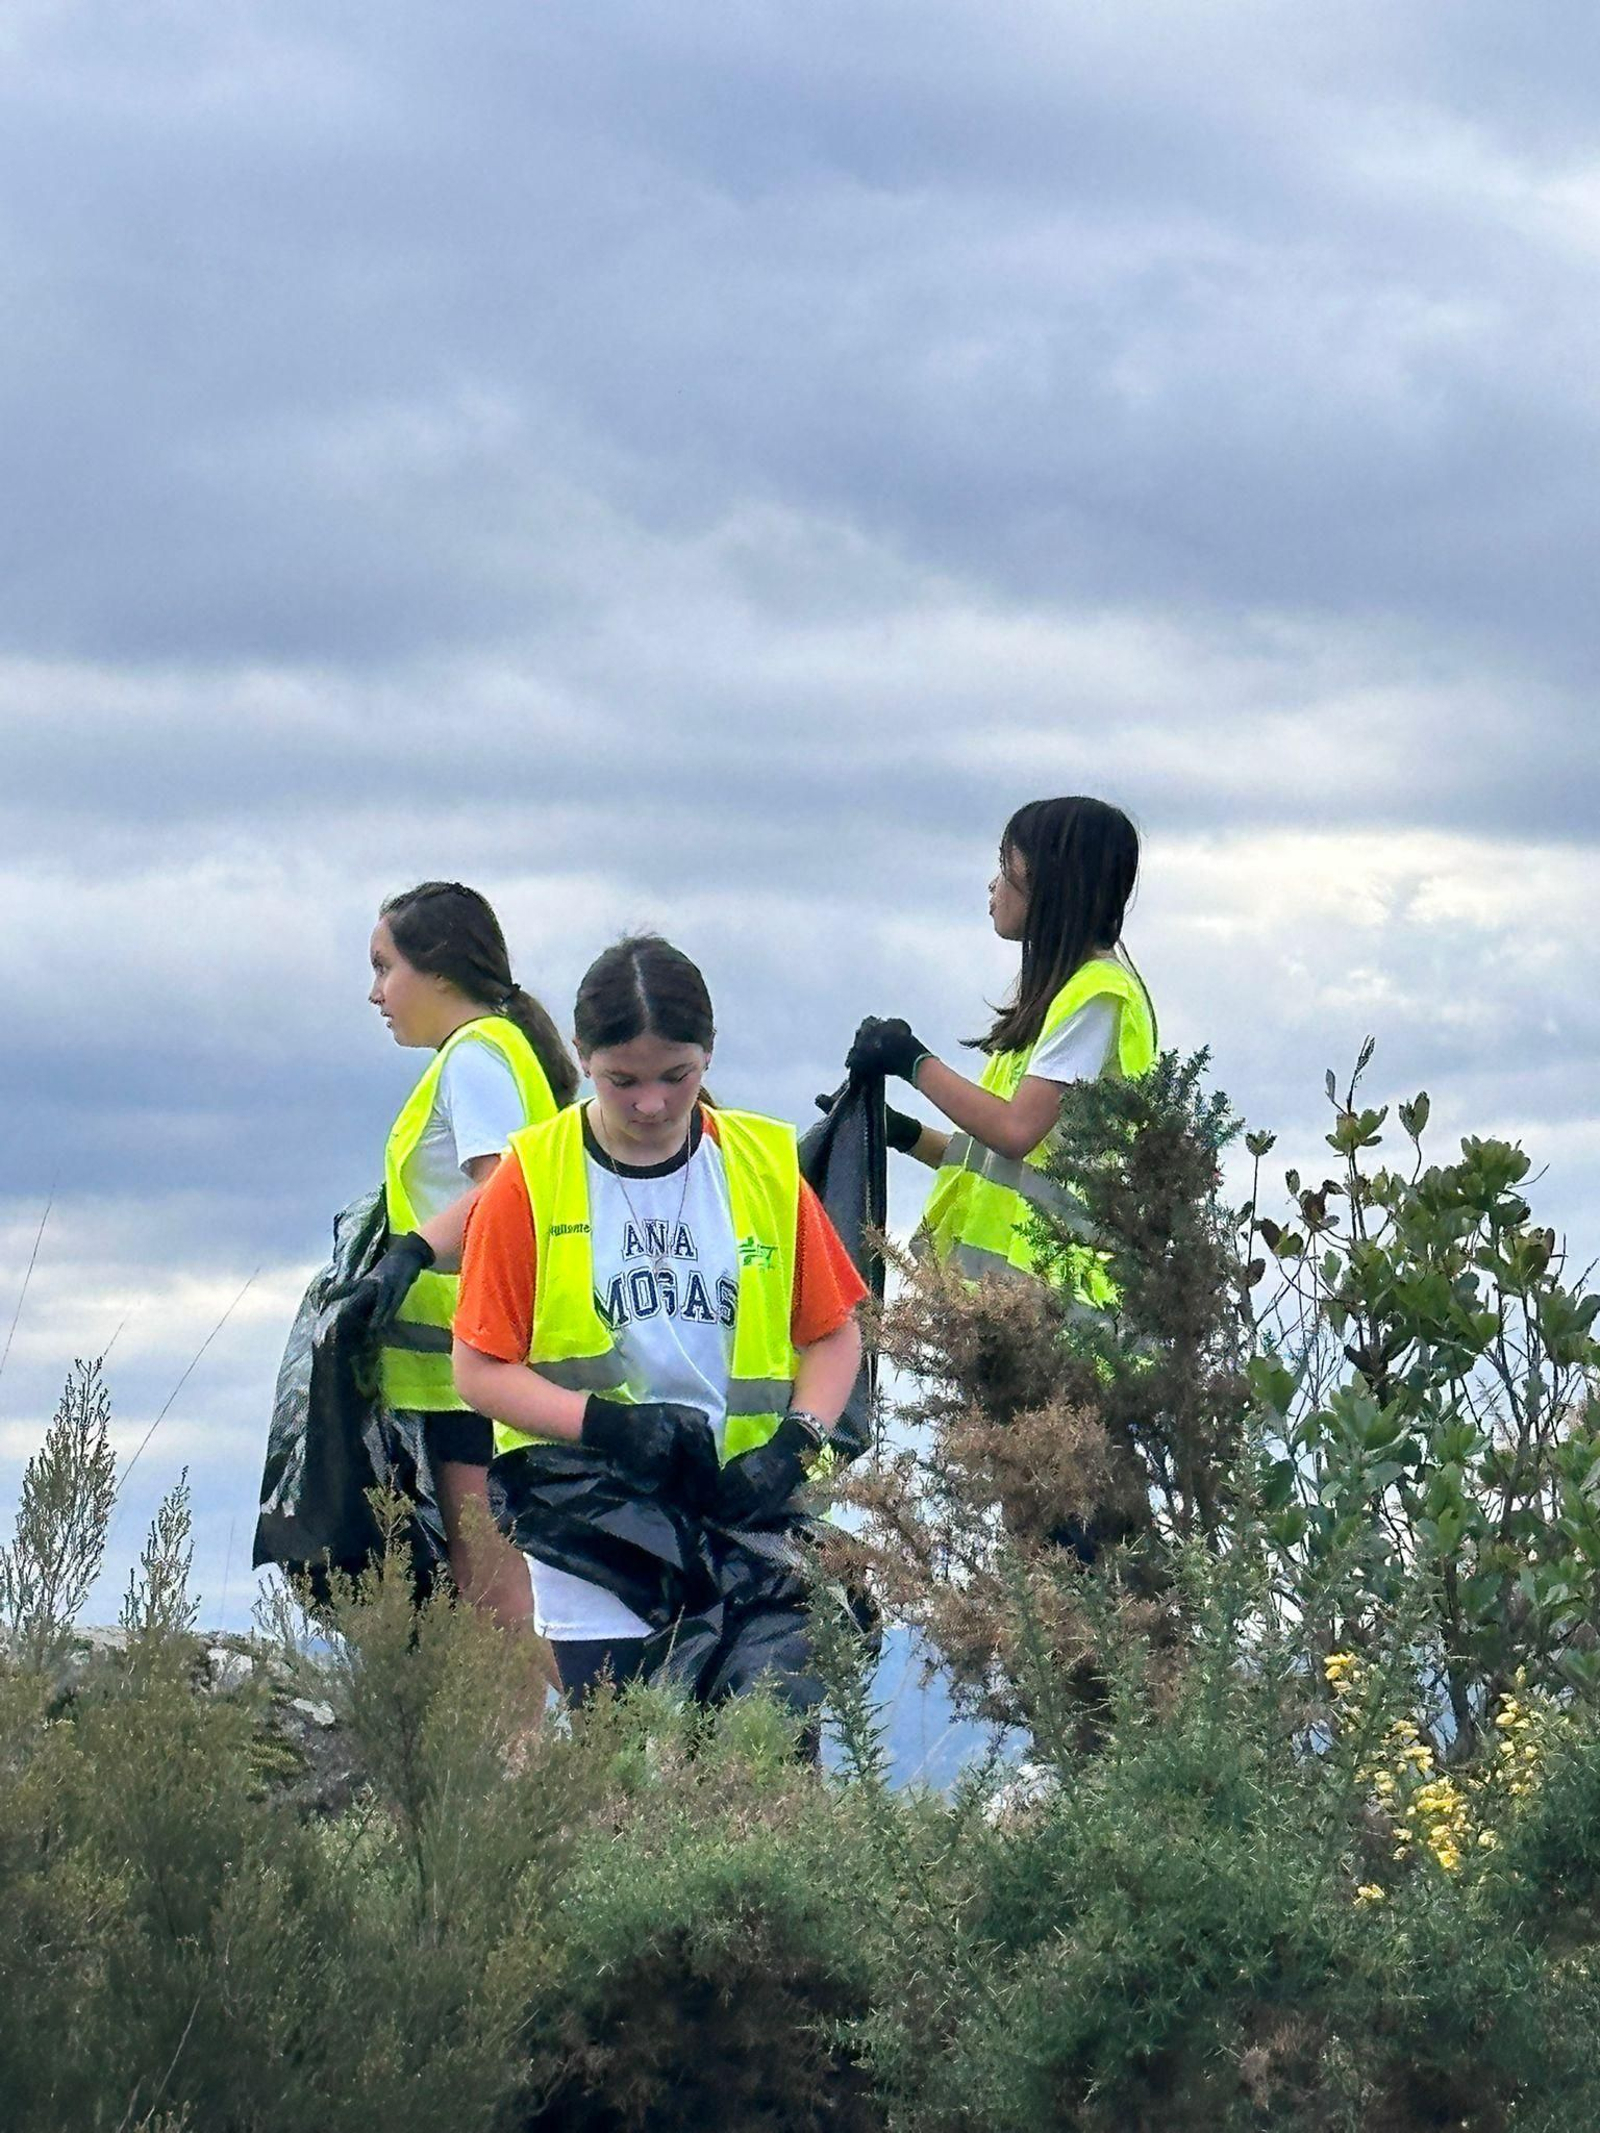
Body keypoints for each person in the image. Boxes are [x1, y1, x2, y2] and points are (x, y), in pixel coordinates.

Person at [452, 934, 867, 1703]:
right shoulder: (531, 1178)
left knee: (770, 1764)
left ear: (709, 1054)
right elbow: (477, 1368)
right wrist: (608, 1425)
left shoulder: (763, 1164)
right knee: (631, 1778)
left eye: (677, 1076)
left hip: (746, 1510)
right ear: (581, 1057)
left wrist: (796, 1441)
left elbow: (834, 1331)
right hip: (598, 1528)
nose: (651, 1103)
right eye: (622, 1080)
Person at [342, 879, 578, 1629]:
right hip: (468, 1364)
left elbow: (505, 1195)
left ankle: (553, 1743)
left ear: (438, 970)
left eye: (385, 967)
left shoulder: (476, 1058)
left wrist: (410, 1251)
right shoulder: (490, 1051)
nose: (376, 993)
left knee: (496, 1593)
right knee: (490, 1591)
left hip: (473, 1364)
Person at [846, 795, 1156, 1292]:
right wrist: (901, 1132)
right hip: (1020, 1319)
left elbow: (1015, 1131)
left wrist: (913, 1062)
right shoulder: (1062, 999)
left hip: (1064, 1323)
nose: (994, 885)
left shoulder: (1097, 997)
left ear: (1051, 883)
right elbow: (1000, 1166)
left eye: (1005, 866)